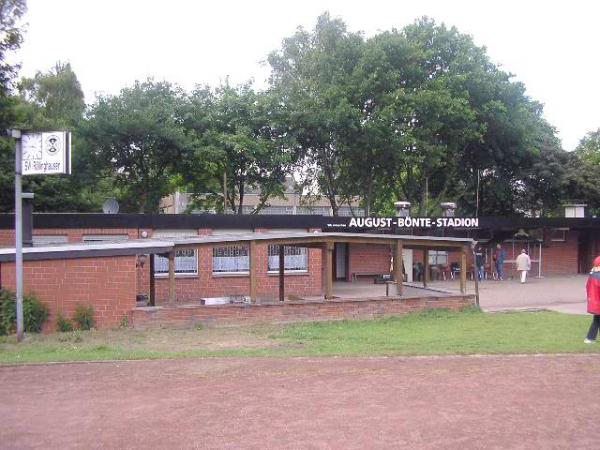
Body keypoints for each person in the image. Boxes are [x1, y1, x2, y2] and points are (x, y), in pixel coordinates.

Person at [584, 256, 600, 344]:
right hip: (598, 302)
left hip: (594, 302)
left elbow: (587, 287)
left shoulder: (592, 274)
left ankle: (590, 338)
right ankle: (589, 338)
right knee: (597, 320)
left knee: (597, 320)